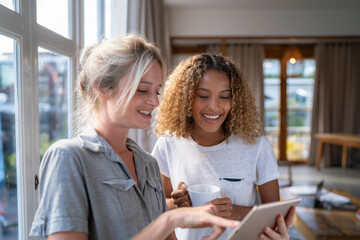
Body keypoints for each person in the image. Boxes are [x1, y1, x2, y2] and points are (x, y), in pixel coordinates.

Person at [29, 36, 240, 240]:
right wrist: (171, 219)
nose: (154, 102)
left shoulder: (148, 164)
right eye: (142, 90)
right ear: (102, 87)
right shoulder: (69, 158)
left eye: (157, 92)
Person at [152, 53, 296, 240]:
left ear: (234, 100)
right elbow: (156, 207)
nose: (214, 106)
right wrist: (178, 206)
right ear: (186, 99)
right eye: (203, 95)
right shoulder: (168, 144)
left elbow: (273, 215)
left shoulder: (256, 146)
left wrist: (234, 212)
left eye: (224, 96)